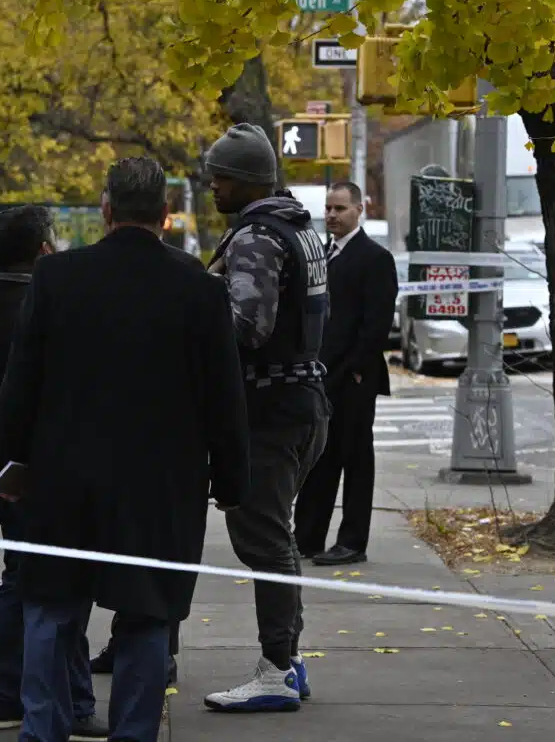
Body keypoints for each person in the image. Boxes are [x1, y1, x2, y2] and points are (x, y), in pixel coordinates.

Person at [0, 157, 250, 742]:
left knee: (51, 608)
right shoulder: (199, 290)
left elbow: (20, 383)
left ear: (106, 210)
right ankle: (134, 732)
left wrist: (5, 465)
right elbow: (223, 399)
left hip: (62, 478)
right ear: (164, 213)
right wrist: (232, 482)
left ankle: (44, 729)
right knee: (147, 615)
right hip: (159, 485)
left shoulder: (57, 279)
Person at [0, 206, 109, 740]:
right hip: (50, 464)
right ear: (45, 249)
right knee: (61, 587)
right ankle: (70, 703)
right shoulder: (51, 309)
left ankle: (3, 696)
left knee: (19, 578)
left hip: (7, 464)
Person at [200, 123, 331, 713]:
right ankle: (288, 660)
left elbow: (246, 327)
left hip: (269, 411)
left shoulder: (256, 236)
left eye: (219, 176)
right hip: (304, 401)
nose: (212, 186)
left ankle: (276, 669)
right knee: (276, 537)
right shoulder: (301, 229)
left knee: (265, 541)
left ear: (246, 179)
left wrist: (190, 326)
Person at [87, 237, 206, 687]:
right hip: (158, 445)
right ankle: (135, 644)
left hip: (147, 441)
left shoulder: (86, 275)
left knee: (150, 558)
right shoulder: (189, 274)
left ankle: (159, 651)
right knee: (146, 555)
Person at [294, 182, 399, 566]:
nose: (332, 215)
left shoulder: (374, 258)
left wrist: (353, 369)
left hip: (354, 380)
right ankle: (306, 537)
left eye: (340, 208)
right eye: (328, 208)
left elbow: (376, 324)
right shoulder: (324, 255)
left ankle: (352, 541)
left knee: (355, 461)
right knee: (320, 458)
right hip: (321, 377)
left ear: (359, 210)